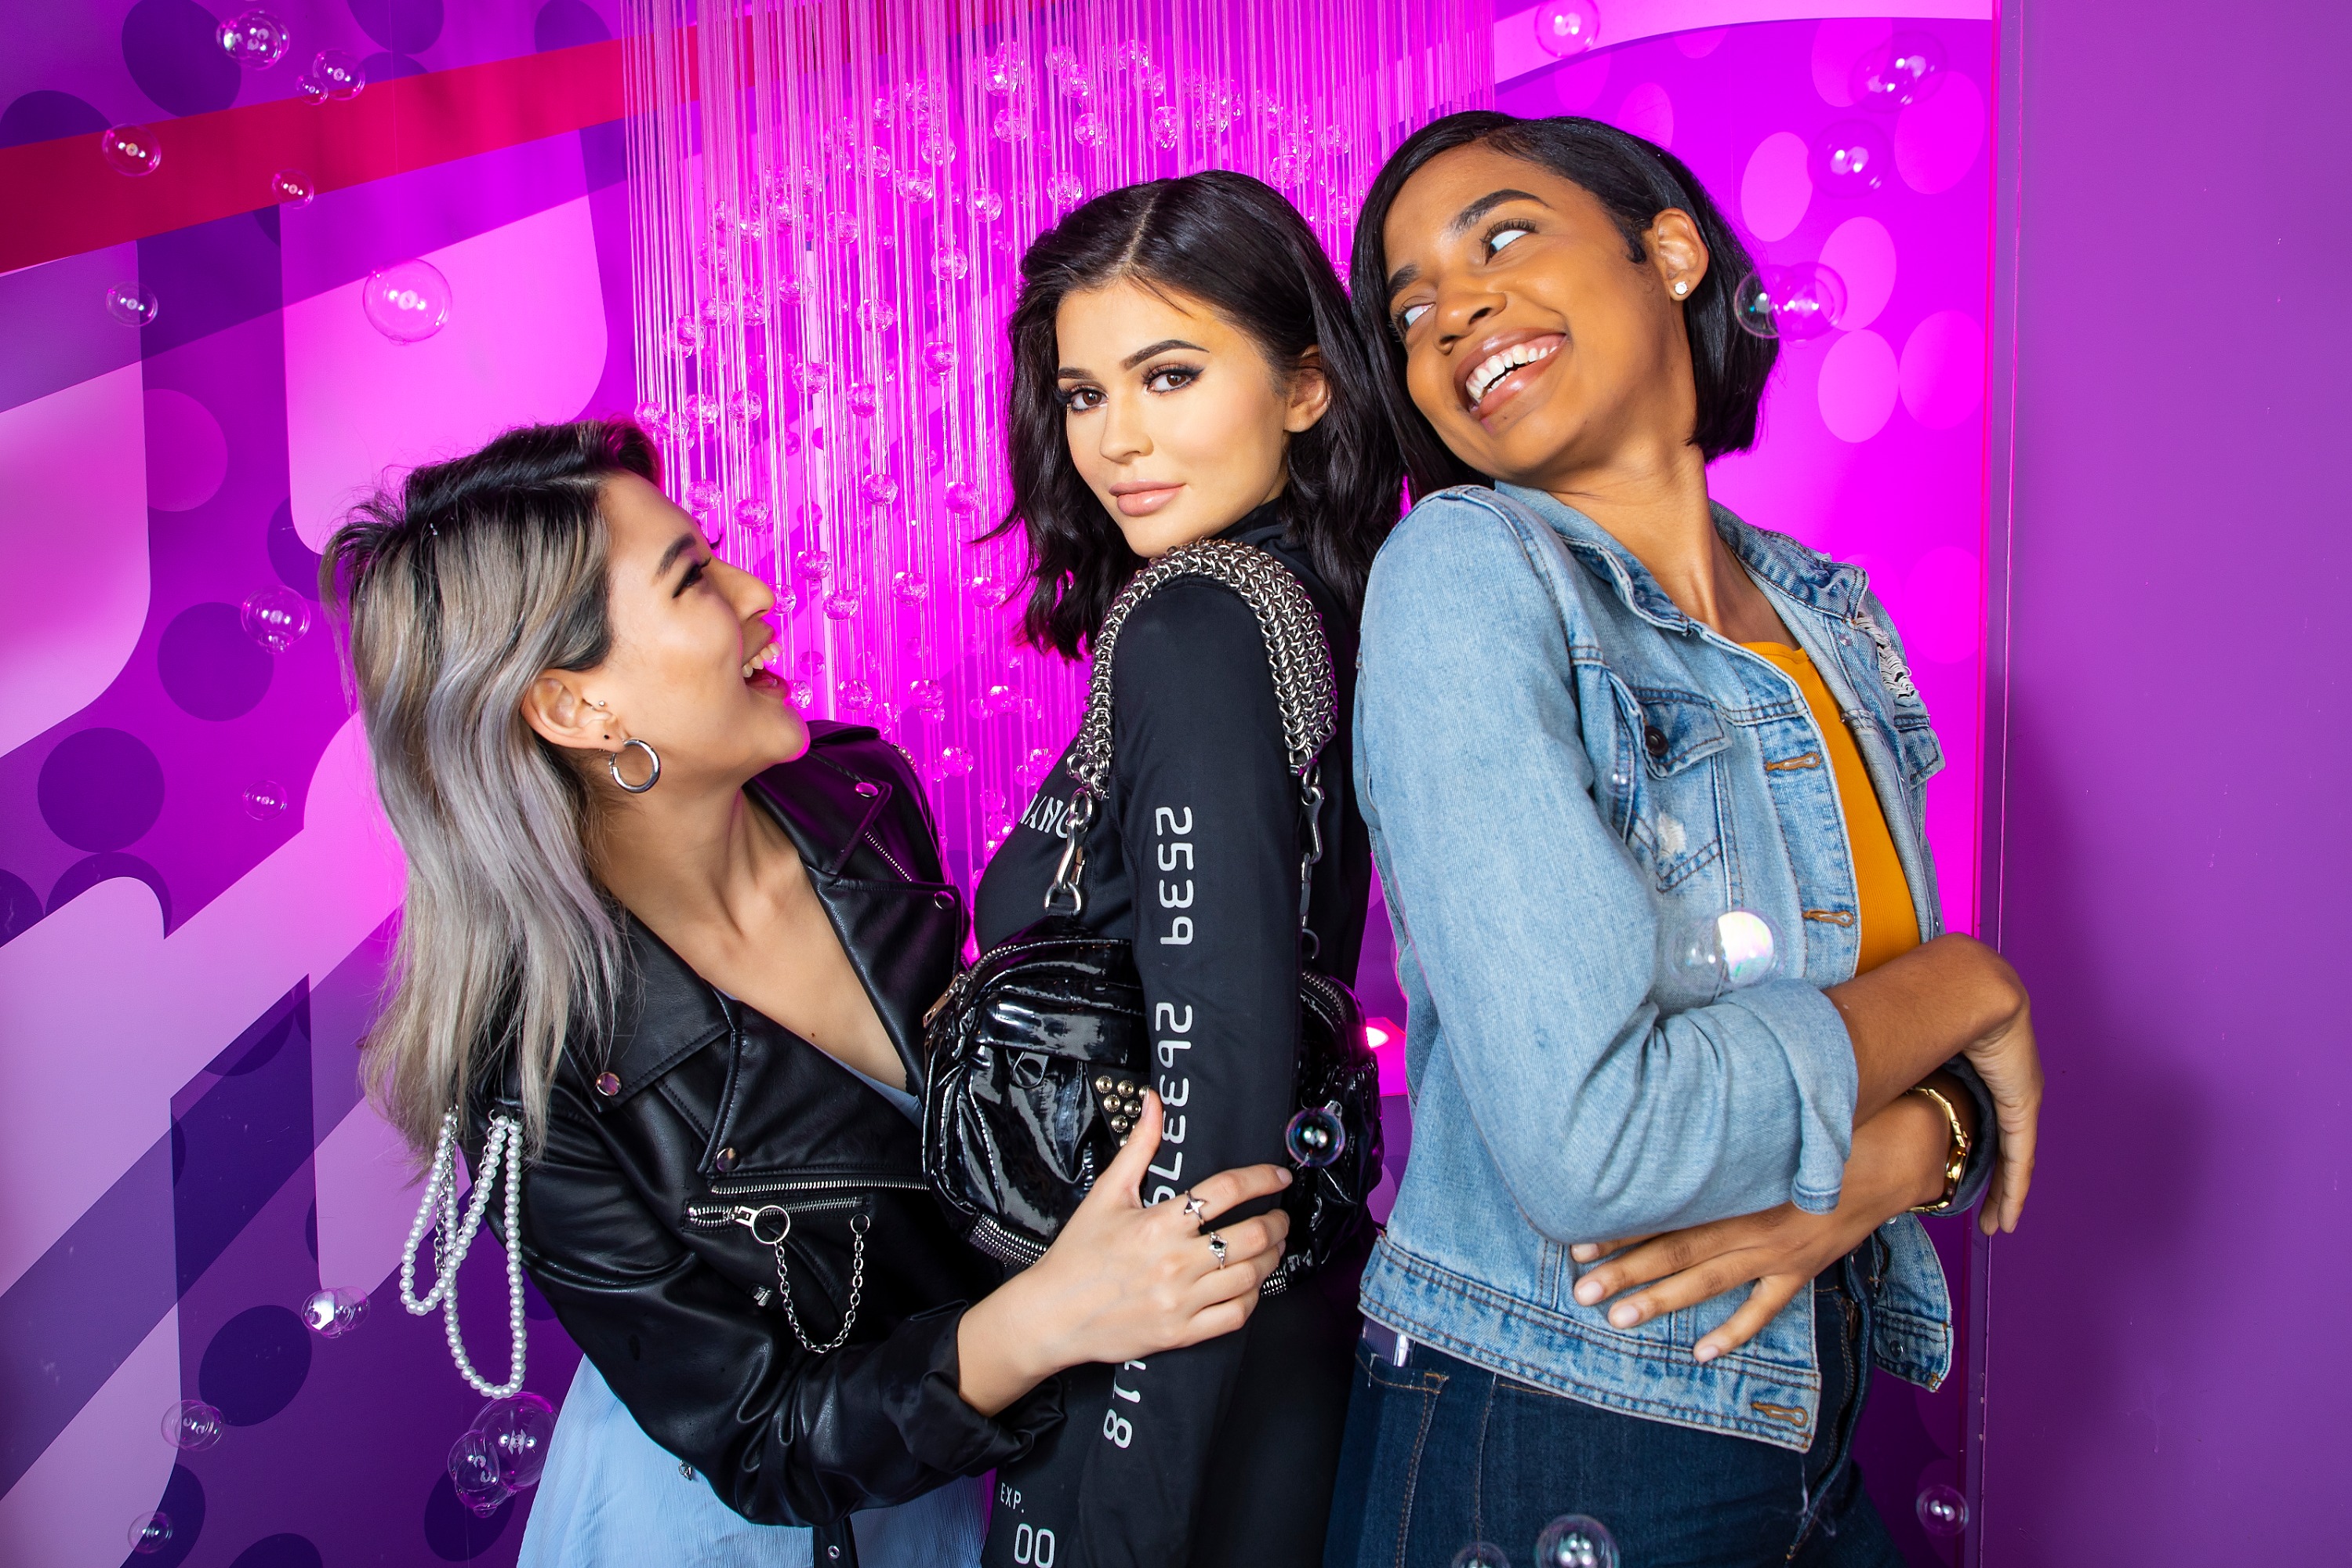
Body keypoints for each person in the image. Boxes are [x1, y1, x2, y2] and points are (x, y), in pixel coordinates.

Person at [321, 420, 1298, 1568]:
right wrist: (1052, 1318)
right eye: (692, 579)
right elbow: (756, 1442)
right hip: (749, 1533)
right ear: (576, 709)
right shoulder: (529, 1076)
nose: (757, 595)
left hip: (989, 1456)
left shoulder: (856, 796)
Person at [1323, 113, 2045, 1566]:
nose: (1450, 313)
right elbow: (1599, 1144)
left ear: (1667, 251)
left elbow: (1901, 1062)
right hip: (1556, 1429)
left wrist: (1922, 1144)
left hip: (1813, 1411)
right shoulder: (1462, 574)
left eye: (1502, 237)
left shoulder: (1827, 613)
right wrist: (1971, 985)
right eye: (1409, 311)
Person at [971, 171, 1403, 1568]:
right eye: (1083, 394)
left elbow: (1216, 1099)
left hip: (1174, 1361)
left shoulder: (1196, 625)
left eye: (1169, 376)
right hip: (1241, 1339)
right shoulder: (1303, 597)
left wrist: (1130, 1505)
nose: (1118, 440)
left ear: (1305, 387)